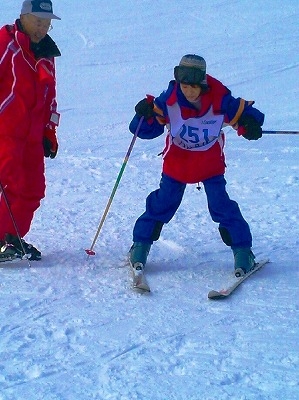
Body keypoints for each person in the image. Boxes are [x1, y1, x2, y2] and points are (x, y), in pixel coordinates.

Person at [129, 54, 264, 277]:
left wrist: (249, 124)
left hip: (209, 164)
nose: (188, 91)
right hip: (178, 164)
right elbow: (145, 130)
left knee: (220, 204)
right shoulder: (169, 100)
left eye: (193, 86)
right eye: (184, 85)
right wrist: (141, 116)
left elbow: (244, 114)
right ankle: (140, 245)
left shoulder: (220, 99)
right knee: (163, 202)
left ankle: (243, 250)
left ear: (202, 82)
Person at [0, 0, 61, 262]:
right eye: (38, 21)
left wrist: (49, 131)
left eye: (46, 23)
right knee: (10, 185)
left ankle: (12, 239)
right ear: (23, 17)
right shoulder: (6, 44)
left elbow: (50, 96)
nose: (42, 28)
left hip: (33, 137)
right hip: (7, 131)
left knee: (34, 189)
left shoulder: (46, 54)